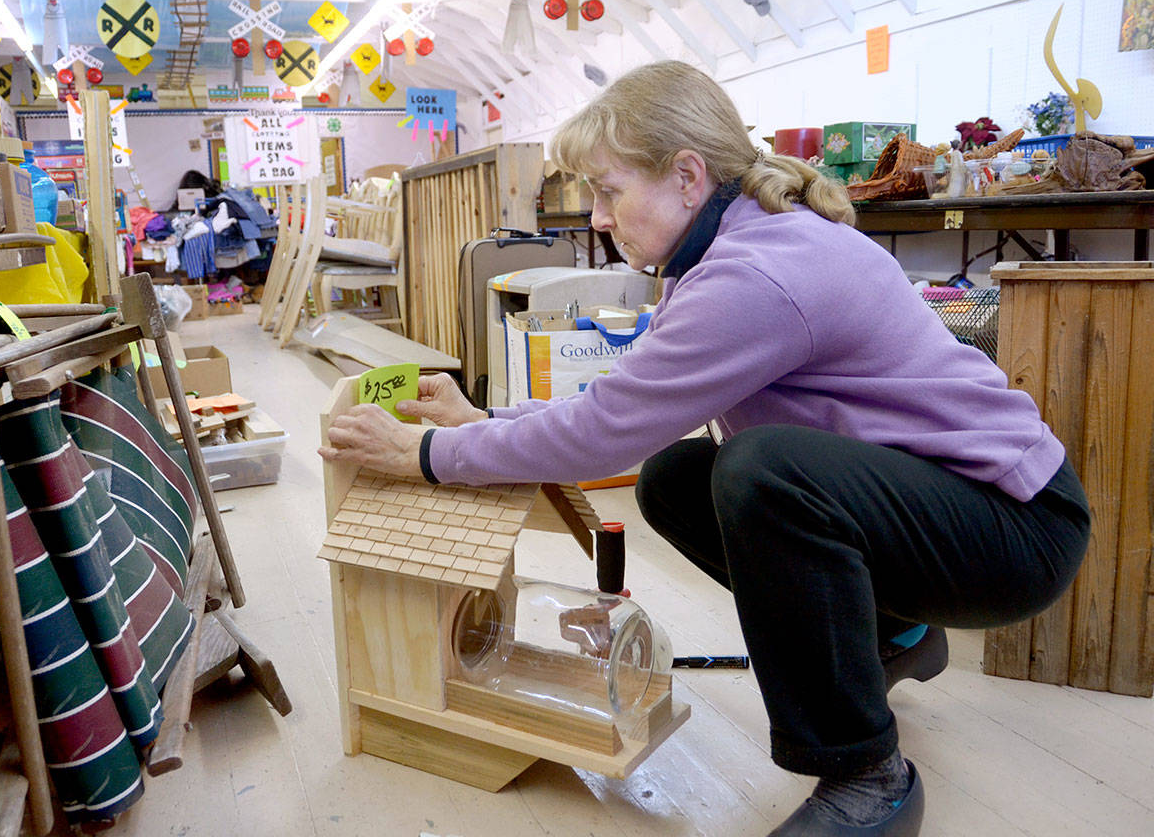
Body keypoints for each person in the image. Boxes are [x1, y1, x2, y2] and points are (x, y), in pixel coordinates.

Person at [319, 61, 1090, 837]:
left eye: (608, 191)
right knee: (678, 479)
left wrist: (424, 455)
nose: (595, 217)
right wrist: (480, 417)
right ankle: (896, 634)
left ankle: (866, 775)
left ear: (688, 176)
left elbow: (600, 433)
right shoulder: (720, 251)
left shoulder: (755, 273)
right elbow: (623, 398)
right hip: (954, 505)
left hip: (1018, 526)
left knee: (764, 473)